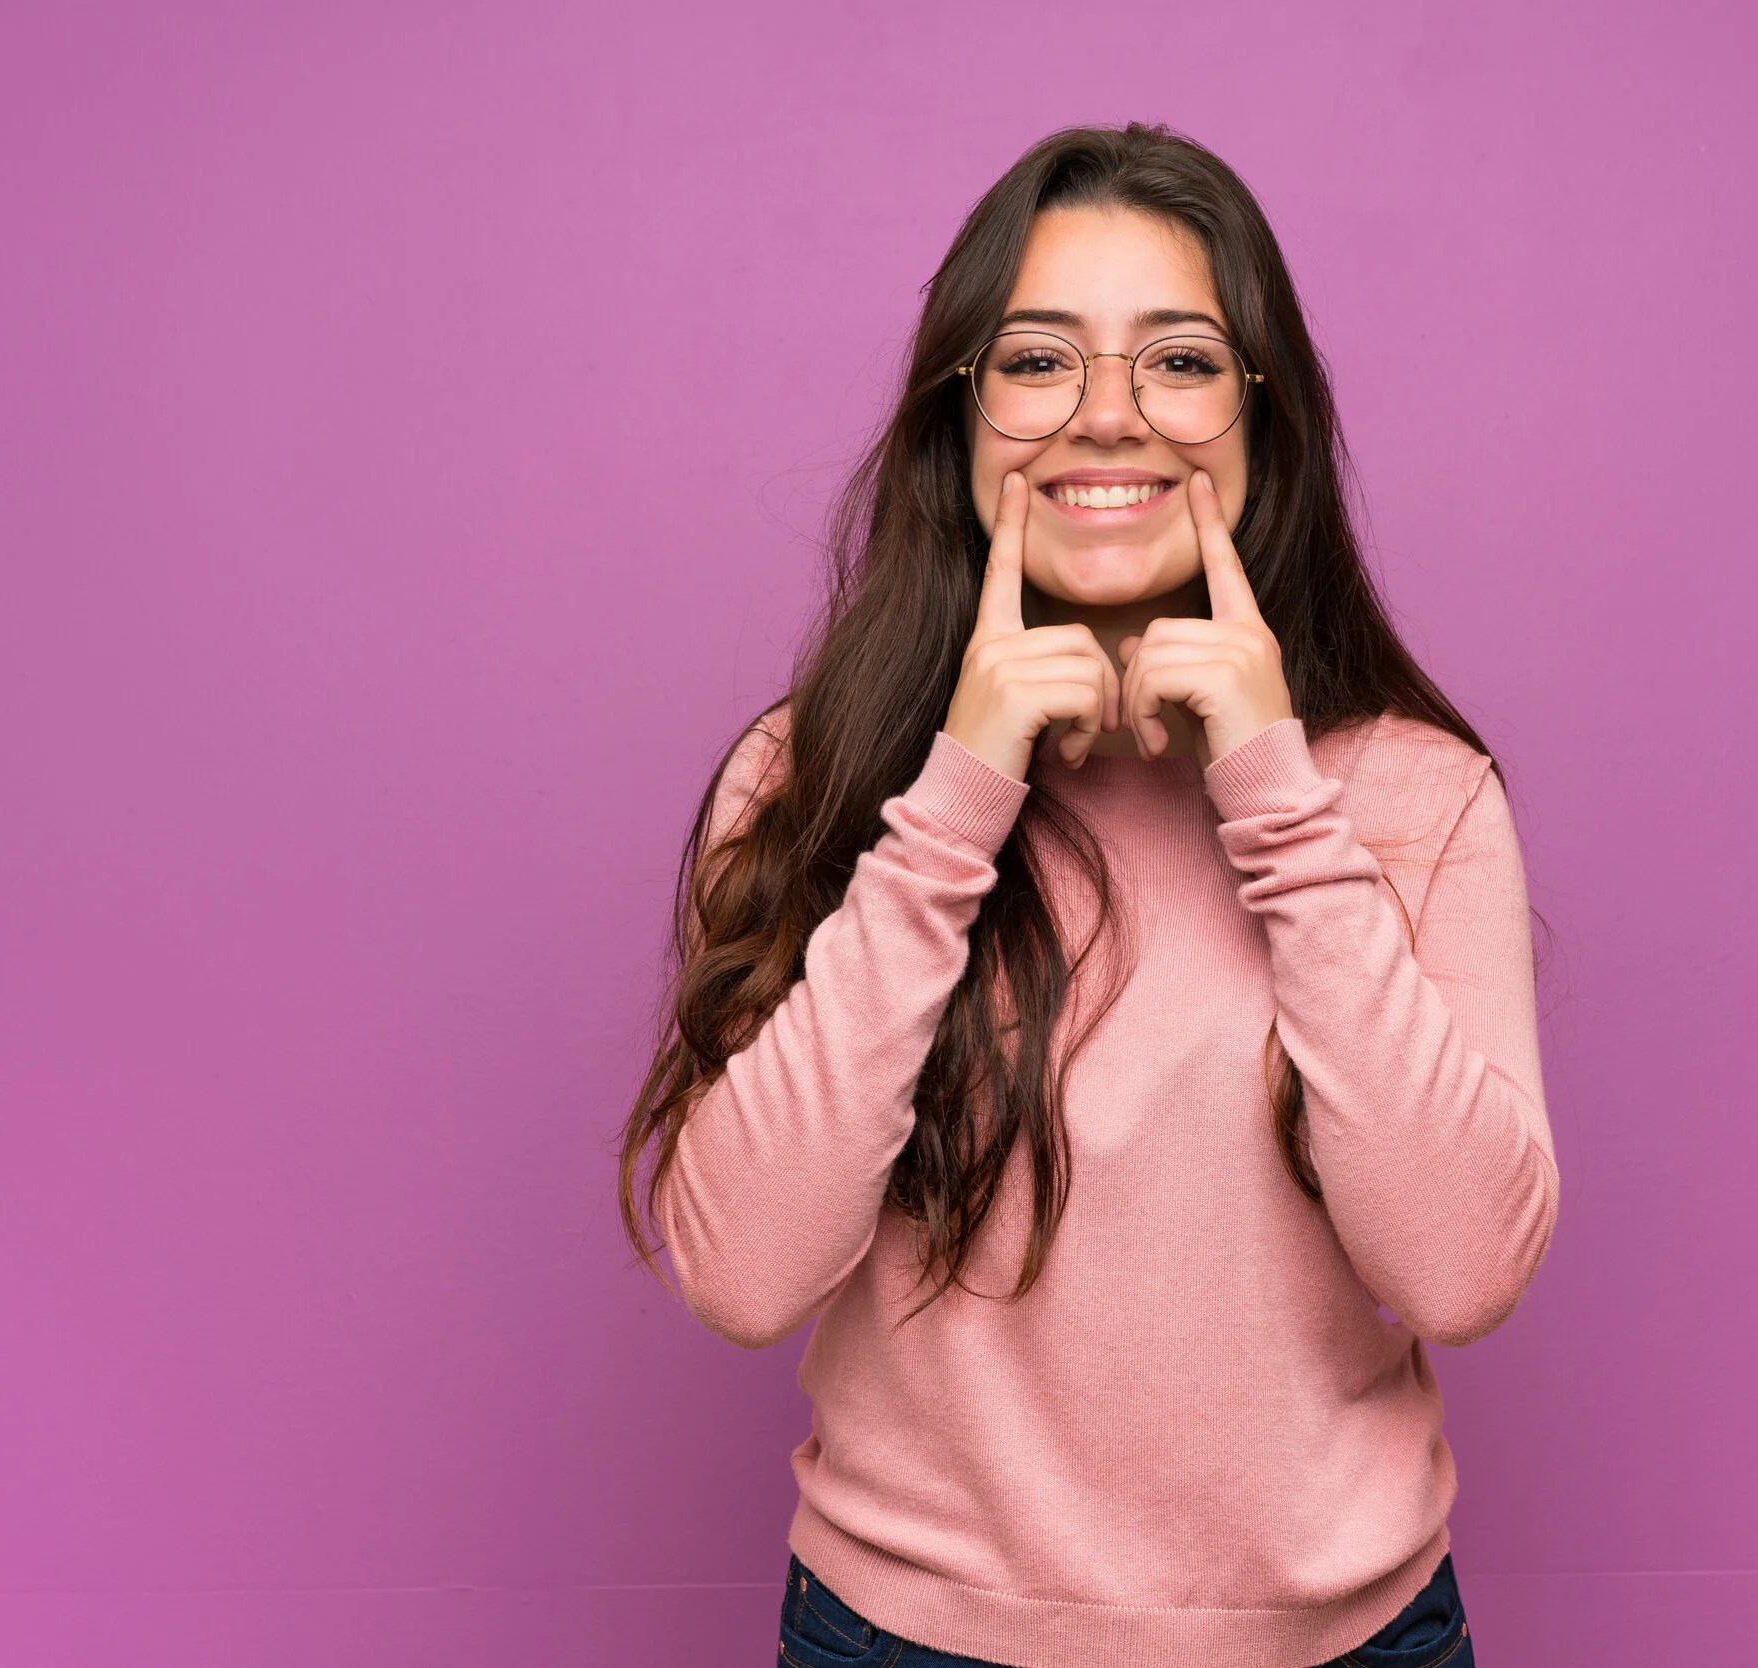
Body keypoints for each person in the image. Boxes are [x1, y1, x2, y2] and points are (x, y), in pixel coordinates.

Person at [618, 121, 1558, 1668]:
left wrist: (1271, 787)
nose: (1109, 418)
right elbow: (742, 1274)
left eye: (1180, 363)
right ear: (961, 417)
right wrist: (956, 800)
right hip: (903, 1641)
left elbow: (1458, 1276)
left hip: (1349, 1646)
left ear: (1265, 424)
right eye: (1039, 361)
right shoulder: (813, 774)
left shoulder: (1413, 797)